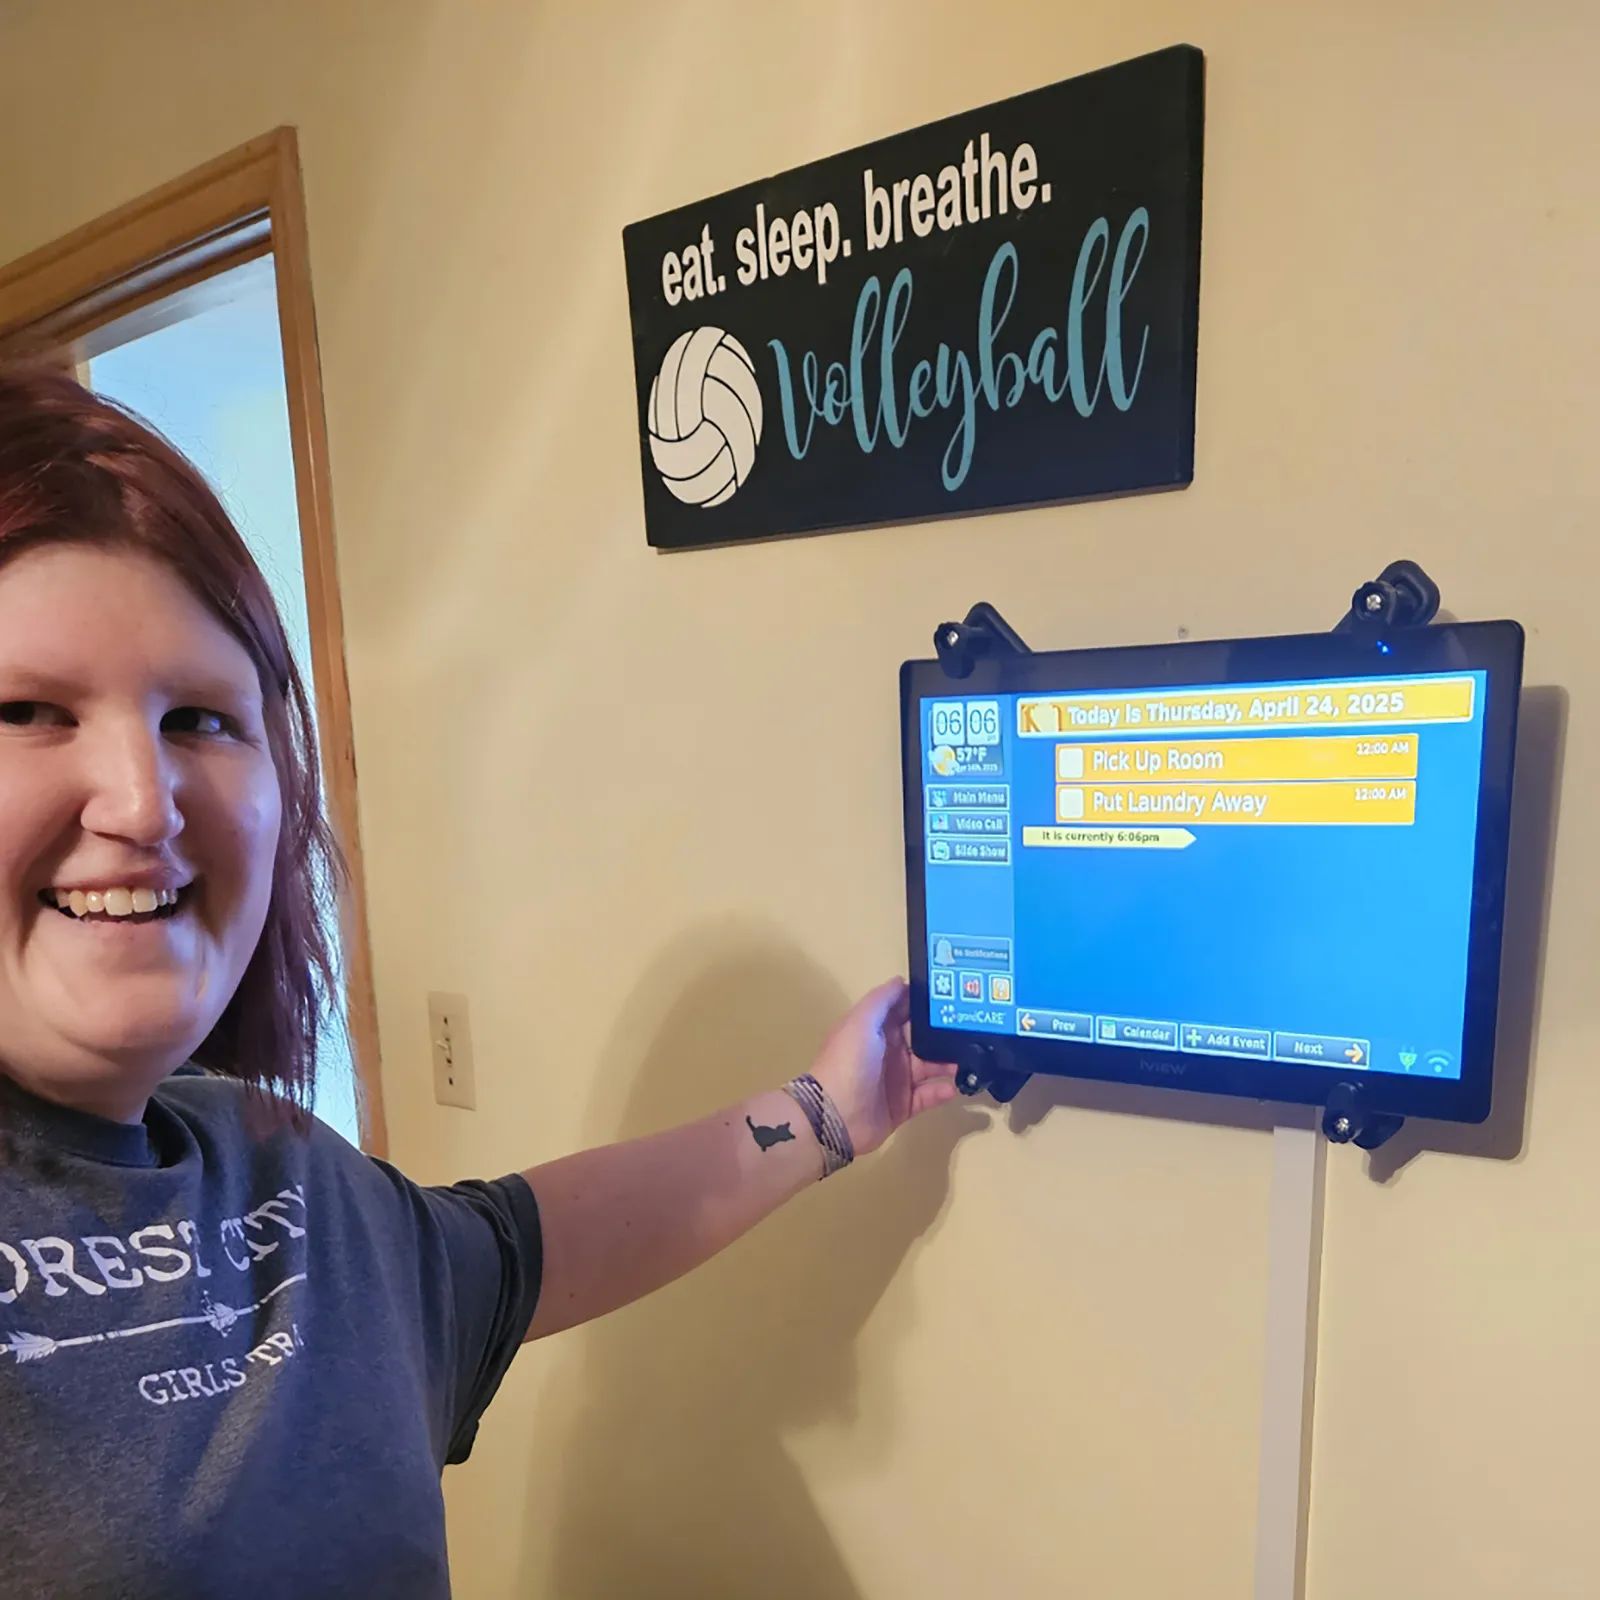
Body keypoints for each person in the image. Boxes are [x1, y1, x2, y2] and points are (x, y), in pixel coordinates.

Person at [0, 364, 958, 1598]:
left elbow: (518, 1249)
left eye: (199, 719)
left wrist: (833, 1110)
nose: (141, 801)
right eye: (28, 710)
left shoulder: (285, 1169)